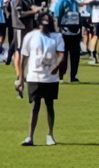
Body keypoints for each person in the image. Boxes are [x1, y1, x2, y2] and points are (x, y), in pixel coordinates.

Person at [14, 10, 65, 147]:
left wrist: (57, 66)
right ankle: (30, 136)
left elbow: (61, 54)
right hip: (34, 75)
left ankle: (50, 134)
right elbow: (24, 57)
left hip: (50, 77)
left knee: (49, 105)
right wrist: (21, 77)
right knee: (35, 106)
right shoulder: (30, 36)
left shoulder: (57, 37)